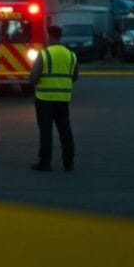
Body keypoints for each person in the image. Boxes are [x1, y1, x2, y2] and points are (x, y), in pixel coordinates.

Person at [29, 25, 78, 172]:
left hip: (44, 99)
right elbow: (74, 76)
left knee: (46, 132)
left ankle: (45, 162)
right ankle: (68, 163)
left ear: (49, 35)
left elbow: (33, 77)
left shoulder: (45, 54)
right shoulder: (71, 54)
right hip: (63, 99)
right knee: (65, 131)